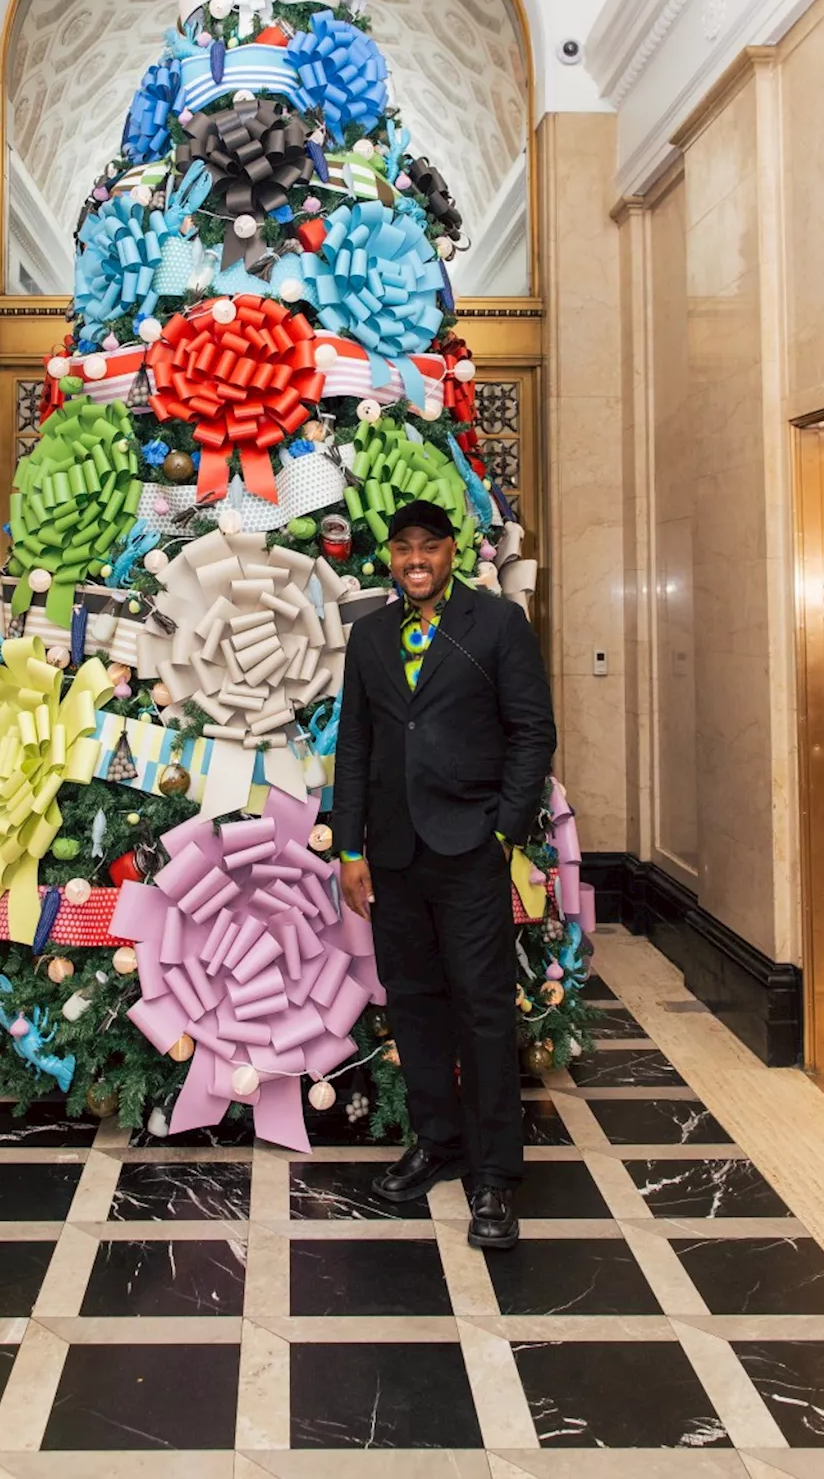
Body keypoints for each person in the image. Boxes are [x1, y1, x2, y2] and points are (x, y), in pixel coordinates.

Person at [334, 498, 557, 1249]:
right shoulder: (368, 636)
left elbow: (532, 732)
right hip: (394, 855)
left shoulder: (495, 626)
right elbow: (356, 747)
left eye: (430, 545)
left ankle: (495, 1176)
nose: (416, 558)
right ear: (390, 557)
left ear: (453, 551)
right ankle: (439, 1141)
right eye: (403, 547)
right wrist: (350, 848)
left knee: (483, 1009)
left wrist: (503, 831)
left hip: (470, 852)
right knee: (418, 1005)